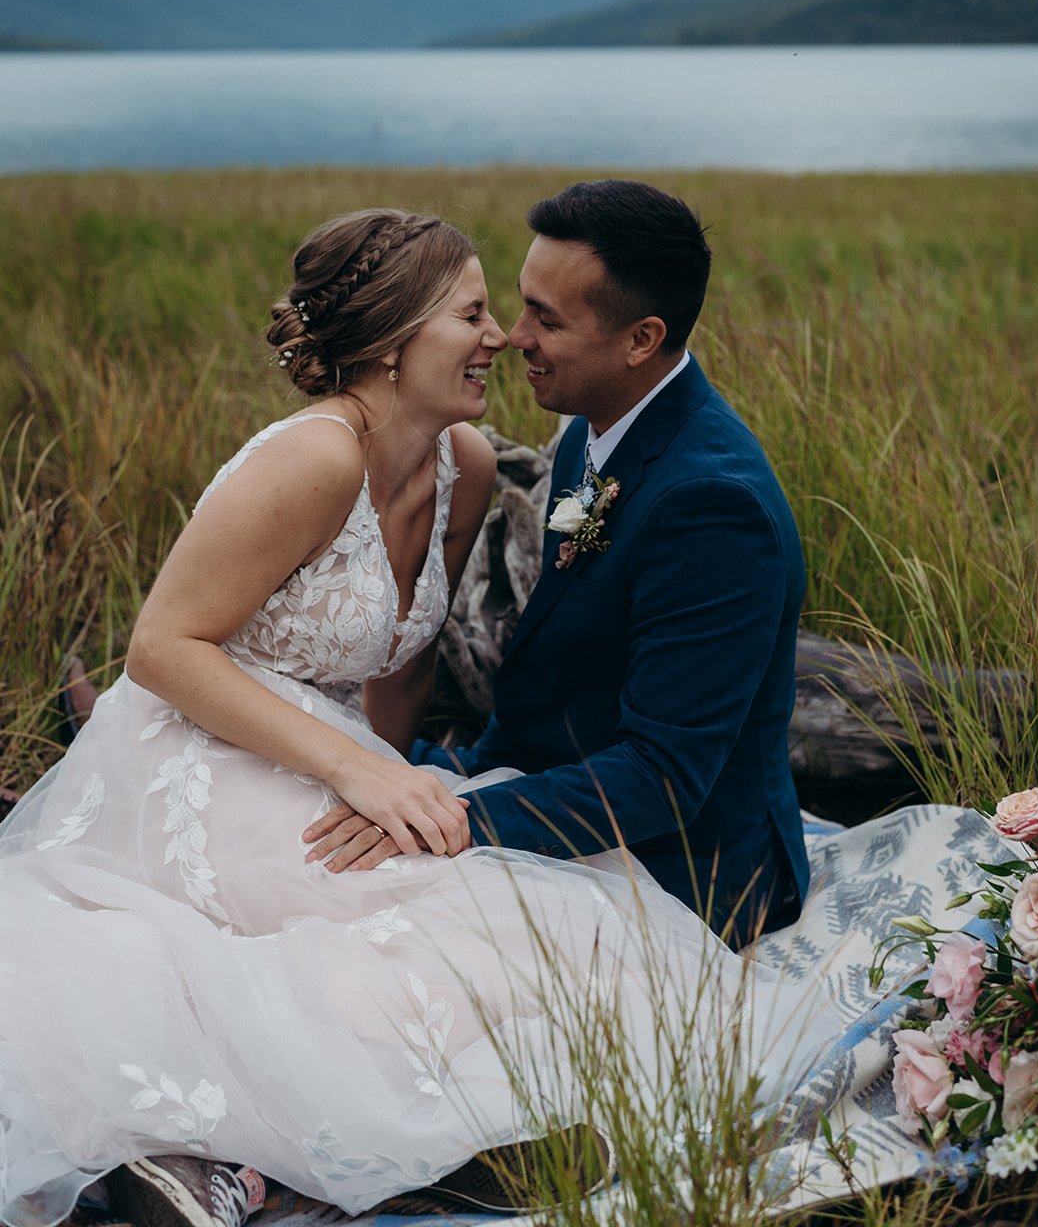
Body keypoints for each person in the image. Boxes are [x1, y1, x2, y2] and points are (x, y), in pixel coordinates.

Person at [0, 206, 838, 1227]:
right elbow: (162, 647)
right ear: (394, 344)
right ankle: (235, 1152)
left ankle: (460, 1131)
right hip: (208, 750)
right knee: (359, 954)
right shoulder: (313, 459)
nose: (505, 338)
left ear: (639, 340)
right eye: (483, 313)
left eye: (529, 316)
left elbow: (401, 669)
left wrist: (403, 783)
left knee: (469, 928)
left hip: (352, 760)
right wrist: (371, 780)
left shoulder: (472, 464)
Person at [304, 181, 808, 940]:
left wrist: (453, 816)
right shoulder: (587, 434)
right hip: (554, 780)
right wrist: (461, 771)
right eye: (519, 304)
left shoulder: (712, 508)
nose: (511, 337)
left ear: (640, 339)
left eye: (547, 318)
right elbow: (565, 610)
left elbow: (662, 779)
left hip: (691, 867)